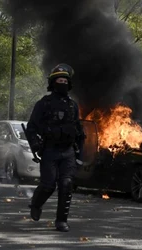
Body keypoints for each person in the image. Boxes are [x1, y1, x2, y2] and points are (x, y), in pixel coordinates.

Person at [25, 63, 85, 232]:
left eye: (65, 80)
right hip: (50, 150)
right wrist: (35, 145)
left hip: (68, 152)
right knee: (48, 185)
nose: (62, 83)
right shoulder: (43, 104)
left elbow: (79, 132)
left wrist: (80, 154)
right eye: (59, 80)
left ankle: (61, 221)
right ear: (53, 83)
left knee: (66, 184)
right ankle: (36, 204)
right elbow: (31, 128)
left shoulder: (73, 106)